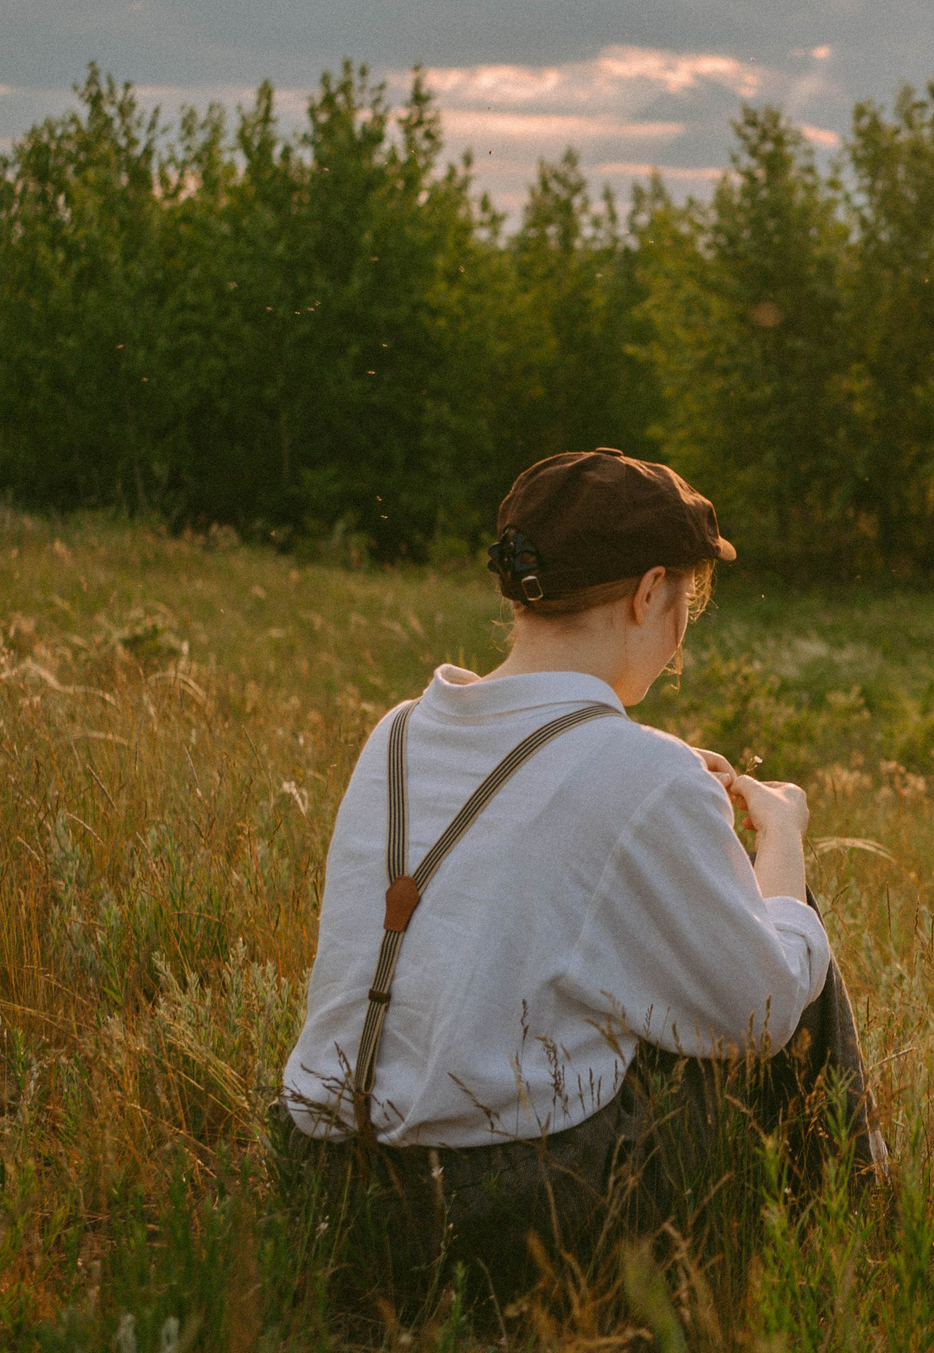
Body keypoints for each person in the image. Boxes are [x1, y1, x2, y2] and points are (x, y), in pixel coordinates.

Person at [277, 447, 849, 1291]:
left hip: (320, 1176)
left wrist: (649, 772)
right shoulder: (643, 775)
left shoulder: (397, 732)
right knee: (793, 940)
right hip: (496, 1209)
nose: (683, 627)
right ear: (650, 590)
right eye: (687, 600)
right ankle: (842, 1227)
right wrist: (784, 834)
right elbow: (762, 1012)